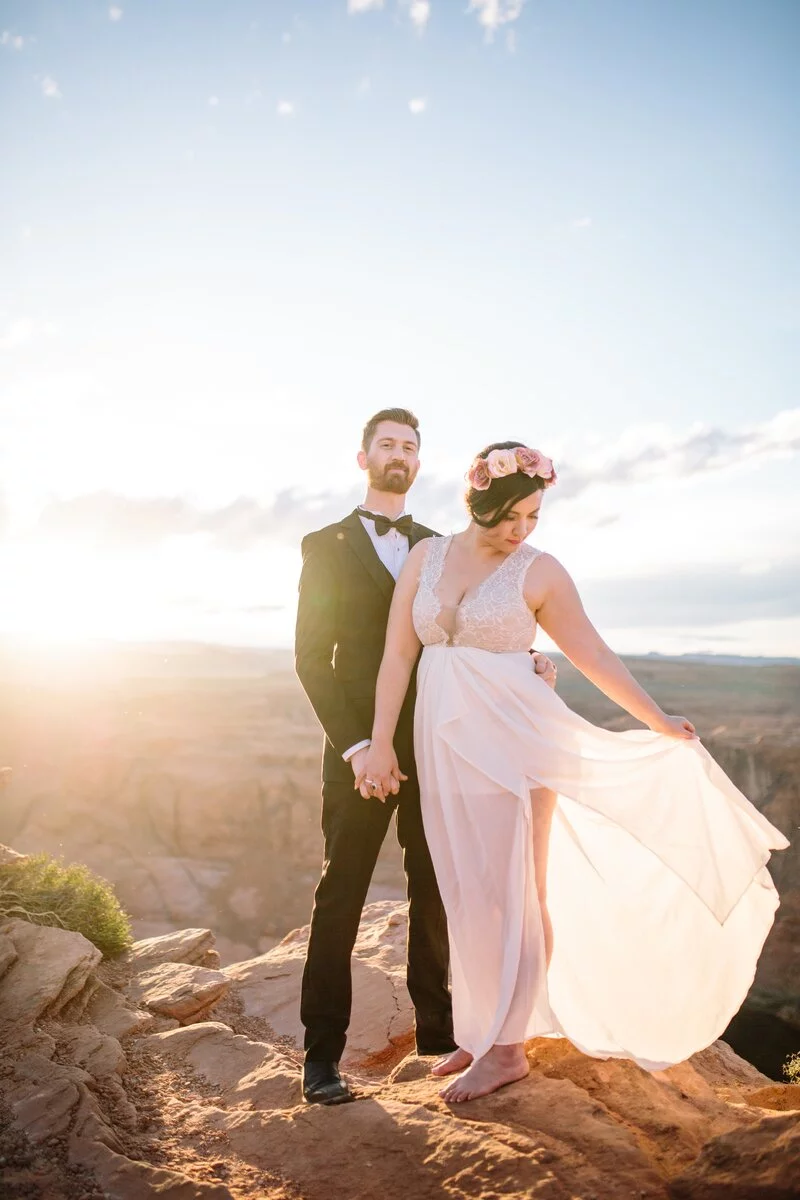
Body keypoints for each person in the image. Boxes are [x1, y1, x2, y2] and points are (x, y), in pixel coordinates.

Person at [359, 440, 789, 1103]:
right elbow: (396, 656)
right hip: (445, 746)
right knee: (468, 891)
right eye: (511, 515)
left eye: (533, 517)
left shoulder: (542, 572)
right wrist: (379, 742)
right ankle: (480, 1029)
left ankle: (506, 1051)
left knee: (516, 893)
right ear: (480, 499)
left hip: (522, 745)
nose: (521, 530)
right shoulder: (427, 556)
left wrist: (655, 720)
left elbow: (591, 652)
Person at [295, 412, 560, 1105]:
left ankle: (441, 1037)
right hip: (362, 747)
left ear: (420, 463)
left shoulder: (439, 547)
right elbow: (310, 659)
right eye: (387, 444)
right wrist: (359, 745)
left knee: (438, 885)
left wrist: (521, 661)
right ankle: (320, 1058)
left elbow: (472, 624)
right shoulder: (323, 545)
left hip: (444, 742)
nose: (399, 455)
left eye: (410, 447)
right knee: (341, 893)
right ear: (363, 457)